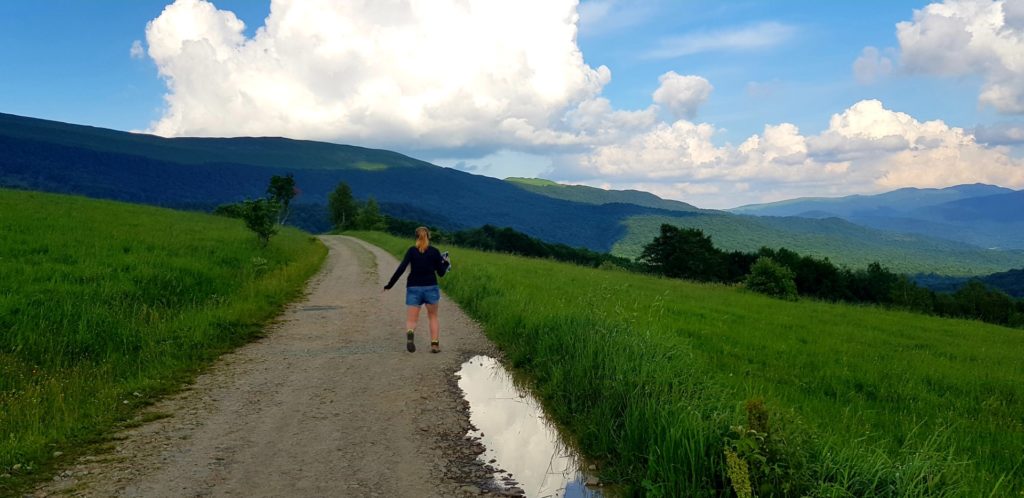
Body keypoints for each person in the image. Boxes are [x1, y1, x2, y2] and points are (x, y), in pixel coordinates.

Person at [383, 226, 451, 353]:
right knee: (433, 317)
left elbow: (401, 268)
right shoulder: (435, 252)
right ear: (429, 236)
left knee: (411, 319)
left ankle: (410, 333)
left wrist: (389, 285)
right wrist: (445, 263)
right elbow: (441, 273)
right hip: (431, 287)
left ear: (415, 237)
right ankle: (435, 345)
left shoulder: (411, 251)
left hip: (413, 287)